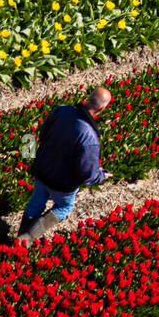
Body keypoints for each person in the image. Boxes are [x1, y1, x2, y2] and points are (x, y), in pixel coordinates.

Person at [16, 87, 113, 244]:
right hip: (62, 182)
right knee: (63, 207)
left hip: (43, 168)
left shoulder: (62, 110)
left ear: (88, 98)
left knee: (37, 200)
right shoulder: (89, 137)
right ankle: (26, 239)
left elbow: (43, 134)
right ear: (102, 108)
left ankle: (20, 238)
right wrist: (101, 175)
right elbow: (87, 172)